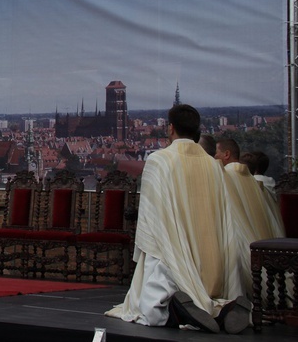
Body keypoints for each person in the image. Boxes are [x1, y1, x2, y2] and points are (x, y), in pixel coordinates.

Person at [106, 104, 248, 334]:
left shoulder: (159, 160)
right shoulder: (213, 165)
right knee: (209, 296)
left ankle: (177, 310)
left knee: (150, 307)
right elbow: (224, 214)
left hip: (174, 252)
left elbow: (151, 218)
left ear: (170, 128)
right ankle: (222, 310)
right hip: (211, 257)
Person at [215, 138, 284, 294]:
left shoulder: (228, 177)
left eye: (216, 153)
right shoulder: (251, 180)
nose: (214, 158)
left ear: (226, 154)